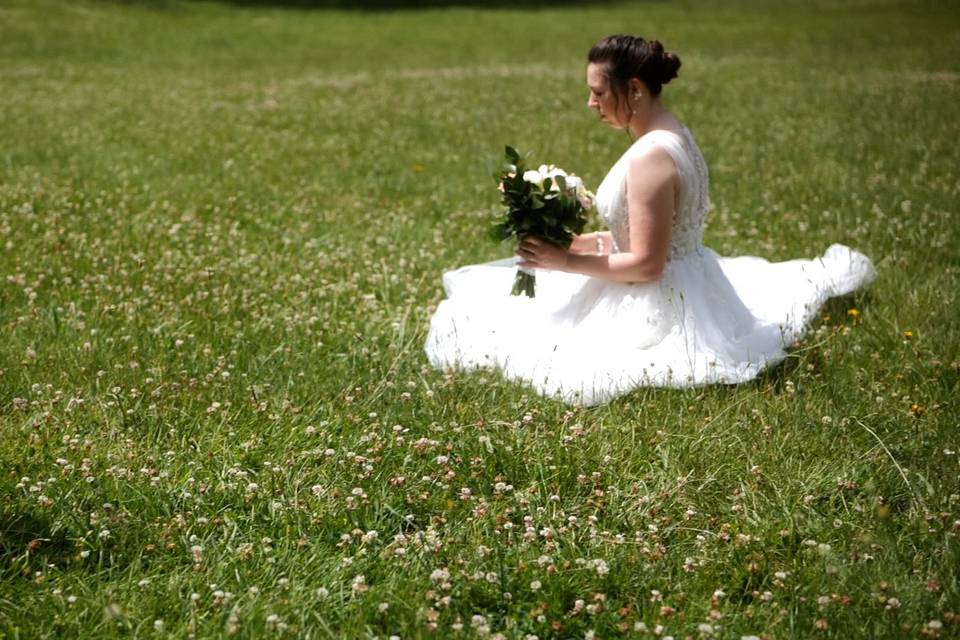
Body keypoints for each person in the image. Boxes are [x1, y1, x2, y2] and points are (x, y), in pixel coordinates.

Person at [425, 35, 875, 406]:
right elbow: (638, 236)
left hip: (660, 300)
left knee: (520, 333)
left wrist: (562, 261)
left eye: (599, 92)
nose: (590, 103)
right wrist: (573, 244)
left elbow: (646, 265)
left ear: (635, 89)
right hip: (690, 270)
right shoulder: (673, 132)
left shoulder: (652, 157)